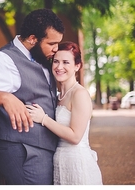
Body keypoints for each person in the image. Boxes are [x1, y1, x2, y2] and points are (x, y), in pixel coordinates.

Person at [0, 8, 64, 184]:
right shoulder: (3, 59)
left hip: (45, 150)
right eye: (52, 44)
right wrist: (5, 97)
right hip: (25, 154)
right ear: (33, 38)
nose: (56, 49)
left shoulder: (40, 57)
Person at [26, 41, 103, 185]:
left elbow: (75, 137)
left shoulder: (79, 94)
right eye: (56, 61)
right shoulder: (57, 96)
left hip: (77, 163)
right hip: (60, 162)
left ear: (77, 66)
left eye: (66, 62)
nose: (59, 67)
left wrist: (44, 119)